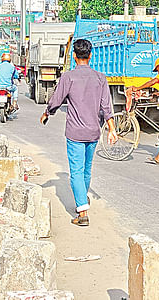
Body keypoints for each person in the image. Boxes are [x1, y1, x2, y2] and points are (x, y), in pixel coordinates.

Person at [41, 39, 117, 227]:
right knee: (86, 168)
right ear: (90, 56)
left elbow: (56, 100)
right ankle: (83, 197)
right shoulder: (100, 78)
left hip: (75, 132)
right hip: (93, 131)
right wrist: (112, 129)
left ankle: (82, 212)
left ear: (74, 56)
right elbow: (106, 106)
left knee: (76, 170)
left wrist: (47, 113)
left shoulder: (68, 77)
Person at [0, 52, 19, 121]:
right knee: (15, 88)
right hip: (8, 87)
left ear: (2, 59)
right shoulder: (12, 67)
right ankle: (14, 102)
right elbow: (16, 76)